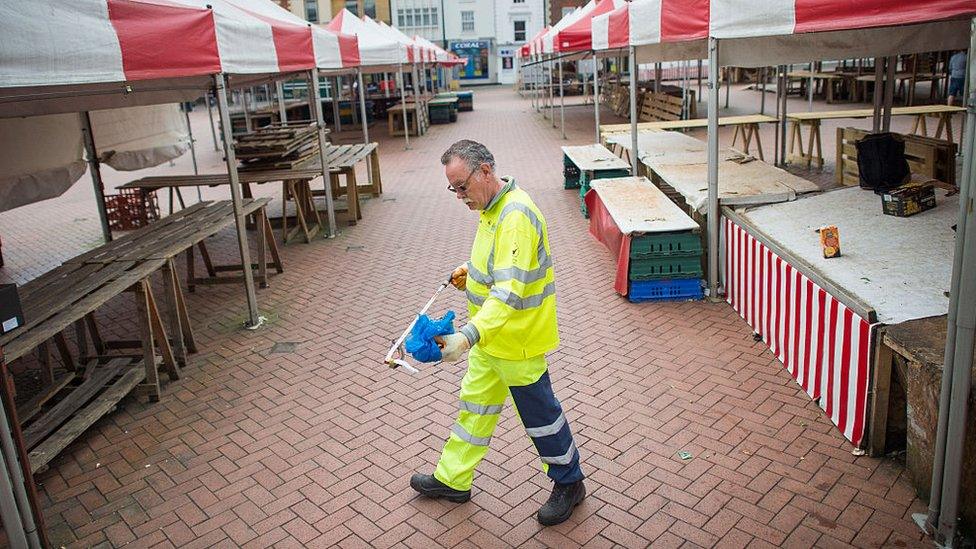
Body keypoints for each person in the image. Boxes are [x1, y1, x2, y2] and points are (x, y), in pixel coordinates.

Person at [410, 140, 586, 526]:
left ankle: (570, 482)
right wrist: (469, 272)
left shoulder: (516, 215)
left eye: (462, 186)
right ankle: (453, 478)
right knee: (474, 408)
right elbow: (496, 268)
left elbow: (509, 291)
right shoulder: (492, 209)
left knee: (540, 416)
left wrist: (469, 335)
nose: (459, 196)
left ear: (485, 171)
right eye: (452, 188)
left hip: (517, 342)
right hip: (492, 341)